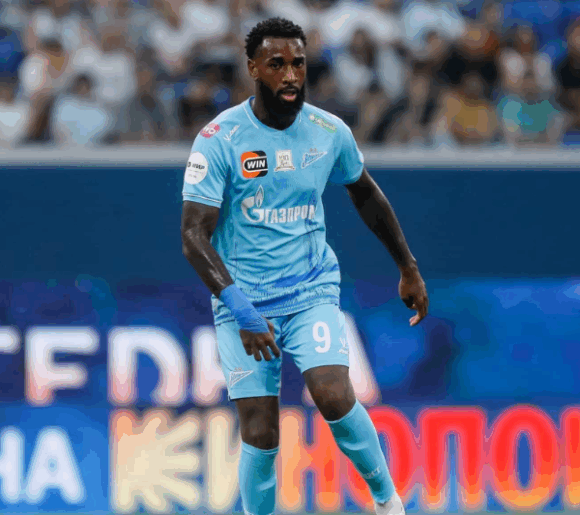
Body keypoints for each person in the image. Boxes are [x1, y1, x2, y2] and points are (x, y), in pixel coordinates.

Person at [180, 17, 428, 515]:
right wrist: (242, 309)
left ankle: (389, 504)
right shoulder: (219, 138)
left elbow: (366, 195)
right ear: (253, 68)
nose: (291, 75)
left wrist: (408, 266)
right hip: (243, 302)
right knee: (260, 431)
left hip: (309, 289)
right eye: (277, 64)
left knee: (332, 393)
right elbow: (192, 235)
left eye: (298, 63)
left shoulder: (328, 131)